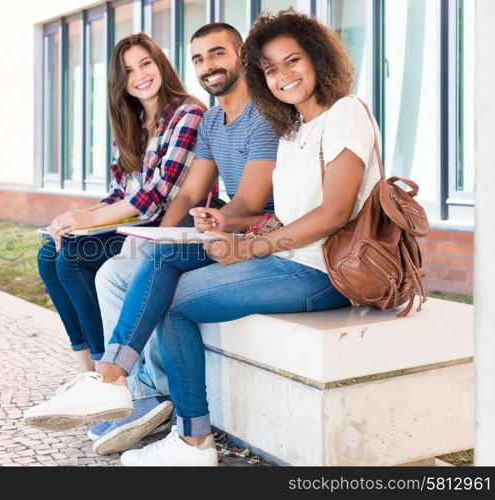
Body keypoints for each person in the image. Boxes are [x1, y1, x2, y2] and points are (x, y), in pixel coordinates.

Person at [26, 9, 384, 466]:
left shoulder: (345, 112)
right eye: (271, 69)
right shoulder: (293, 128)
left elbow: (333, 213)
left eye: (293, 61)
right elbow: (280, 214)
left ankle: (178, 429)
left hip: (324, 271)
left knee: (170, 298)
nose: (283, 76)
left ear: (318, 59)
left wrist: (248, 245)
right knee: (162, 264)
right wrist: (221, 226)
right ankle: (118, 388)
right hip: (285, 256)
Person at [25, 23, 279, 456]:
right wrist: (160, 238)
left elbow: (243, 202)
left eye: (217, 54)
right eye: (199, 58)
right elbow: (188, 192)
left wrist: (181, 231)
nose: (207, 65)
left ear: (242, 55)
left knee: (107, 267)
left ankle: (127, 389)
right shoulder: (215, 118)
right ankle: (114, 386)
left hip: (254, 237)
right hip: (200, 228)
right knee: (85, 263)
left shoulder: (242, 114)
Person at [36, 33, 206, 375]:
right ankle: (84, 368)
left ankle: (105, 372)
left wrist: (84, 217)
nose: (140, 76)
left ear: (160, 64)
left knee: (72, 259)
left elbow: (154, 197)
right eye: (128, 71)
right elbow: (119, 193)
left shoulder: (188, 113)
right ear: (120, 81)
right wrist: (73, 219)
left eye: (146, 63)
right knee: (48, 253)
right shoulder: (132, 123)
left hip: (169, 228)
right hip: (135, 223)